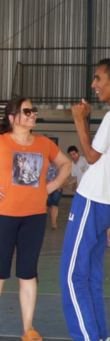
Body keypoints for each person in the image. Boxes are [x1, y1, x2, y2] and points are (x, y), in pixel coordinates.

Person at [0, 97, 71, 341]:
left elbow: (65, 164)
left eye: (33, 110)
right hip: (2, 216)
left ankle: (28, 328)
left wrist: (52, 185)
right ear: (13, 118)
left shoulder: (44, 144)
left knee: (28, 272)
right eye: (27, 111)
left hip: (34, 217)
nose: (32, 114)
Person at [60, 59, 110, 341]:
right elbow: (98, 153)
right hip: (106, 203)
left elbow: (90, 156)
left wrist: (79, 119)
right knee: (90, 277)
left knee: (72, 276)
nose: (94, 85)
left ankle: (87, 337)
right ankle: (99, 335)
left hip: (92, 200)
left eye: (99, 78)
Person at [46, 162, 63, 230]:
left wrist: (60, 184)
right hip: (47, 186)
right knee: (49, 205)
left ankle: (54, 223)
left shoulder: (60, 164)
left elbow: (64, 175)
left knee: (54, 205)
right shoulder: (45, 163)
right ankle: (52, 222)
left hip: (57, 187)